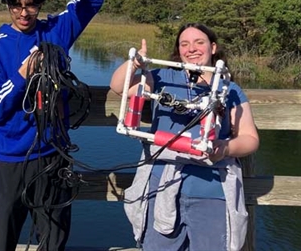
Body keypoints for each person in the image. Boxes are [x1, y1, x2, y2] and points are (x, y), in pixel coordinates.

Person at [0, 0, 105, 251]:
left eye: (32, 5)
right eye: (17, 5)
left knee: (53, 242)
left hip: (54, 157)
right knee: (0, 243)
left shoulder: (57, 31)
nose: (24, 13)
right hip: (12, 162)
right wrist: (22, 76)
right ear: (7, 4)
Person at [109, 23, 260, 251]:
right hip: (161, 185)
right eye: (184, 44)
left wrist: (224, 148)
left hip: (211, 190)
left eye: (199, 42)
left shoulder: (230, 89)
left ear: (213, 47)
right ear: (178, 50)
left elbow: (250, 138)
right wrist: (134, 63)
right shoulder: (161, 77)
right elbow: (119, 87)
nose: (192, 49)